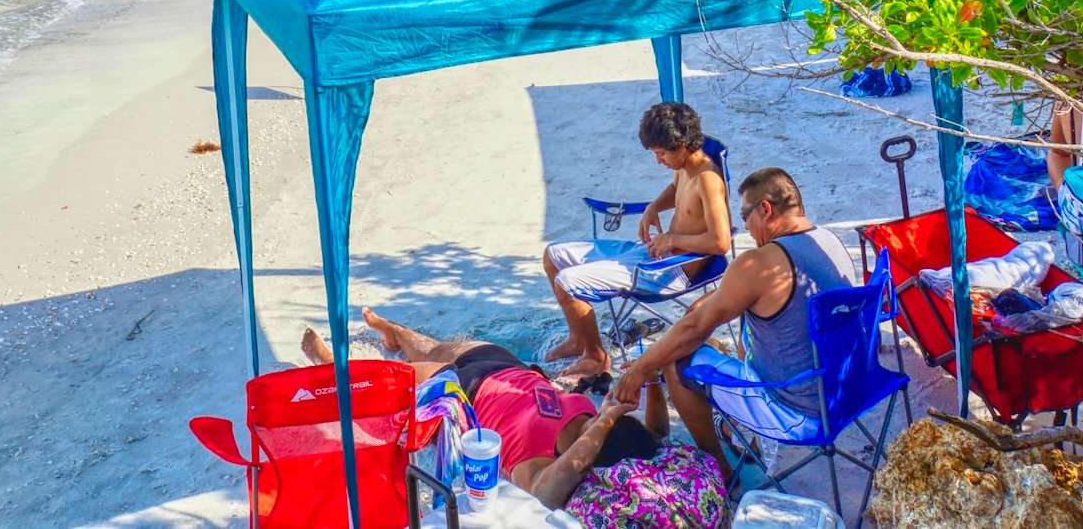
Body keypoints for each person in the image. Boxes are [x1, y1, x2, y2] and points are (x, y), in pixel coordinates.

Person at [610, 167, 855, 482]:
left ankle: (720, 473)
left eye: (745, 216)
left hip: (796, 412)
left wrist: (642, 367)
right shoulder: (829, 242)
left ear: (765, 209)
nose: (746, 228)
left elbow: (694, 330)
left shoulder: (761, 262)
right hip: (847, 392)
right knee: (747, 319)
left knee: (675, 361)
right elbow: (715, 303)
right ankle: (734, 426)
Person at [301, 310, 675, 512]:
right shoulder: (593, 421)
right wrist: (653, 383)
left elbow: (546, 493)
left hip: (459, 393)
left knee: (385, 382)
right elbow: (658, 434)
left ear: (591, 452)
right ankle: (394, 333)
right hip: (507, 368)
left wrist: (604, 421)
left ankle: (328, 361)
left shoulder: (543, 466)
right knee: (436, 347)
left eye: (599, 426)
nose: (594, 419)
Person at [545, 103, 731, 386]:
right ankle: (578, 339)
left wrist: (672, 239)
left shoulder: (708, 180)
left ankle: (596, 358)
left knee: (566, 281)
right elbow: (676, 189)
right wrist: (653, 207)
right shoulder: (686, 164)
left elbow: (721, 241)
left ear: (681, 145)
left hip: (669, 271)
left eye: (661, 153)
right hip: (654, 253)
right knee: (553, 255)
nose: (658, 160)